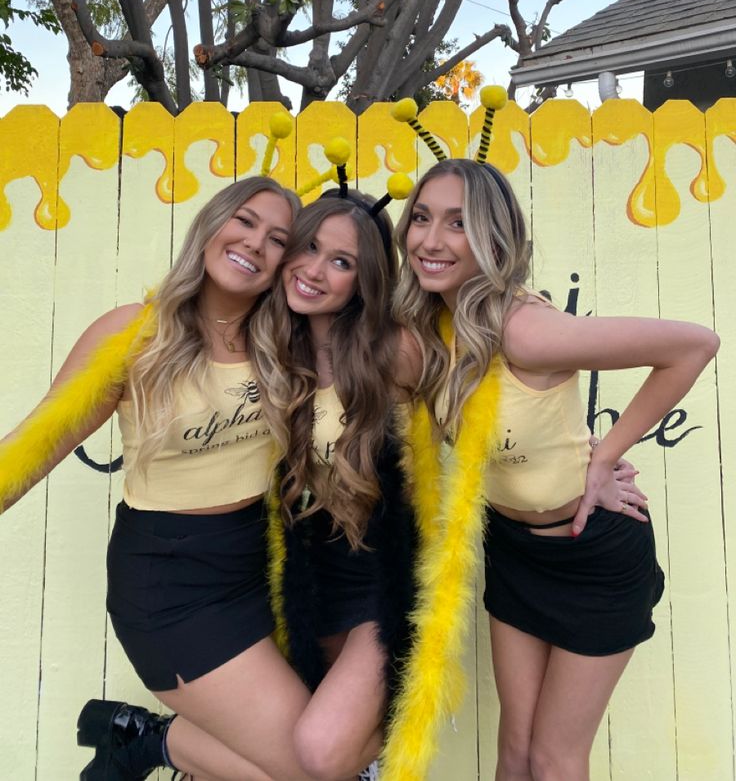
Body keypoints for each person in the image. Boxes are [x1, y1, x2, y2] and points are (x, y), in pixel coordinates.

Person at [387, 158, 719, 781]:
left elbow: (692, 345)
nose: (431, 241)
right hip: (516, 550)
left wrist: (605, 457)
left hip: (591, 552)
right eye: (423, 219)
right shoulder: (430, 333)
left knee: (555, 758)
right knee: (514, 748)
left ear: (492, 236)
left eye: (458, 223)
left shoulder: (526, 332)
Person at [0, 176, 325, 781]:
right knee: (311, 767)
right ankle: (150, 741)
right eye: (245, 222)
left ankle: (149, 742)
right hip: (169, 587)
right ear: (211, 224)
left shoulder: (286, 341)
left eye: (278, 238)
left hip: (256, 572)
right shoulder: (134, 334)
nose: (256, 244)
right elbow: (33, 446)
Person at [250, 190, 420, 781]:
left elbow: (484, 419)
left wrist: (591, 465)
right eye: (309, 247)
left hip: (381, 584)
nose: (315, 271)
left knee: (323, 750)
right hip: (308, 581)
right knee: (302, 749)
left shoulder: (393, 352)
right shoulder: (268, 348)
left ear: (364, 280)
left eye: (341, 262)